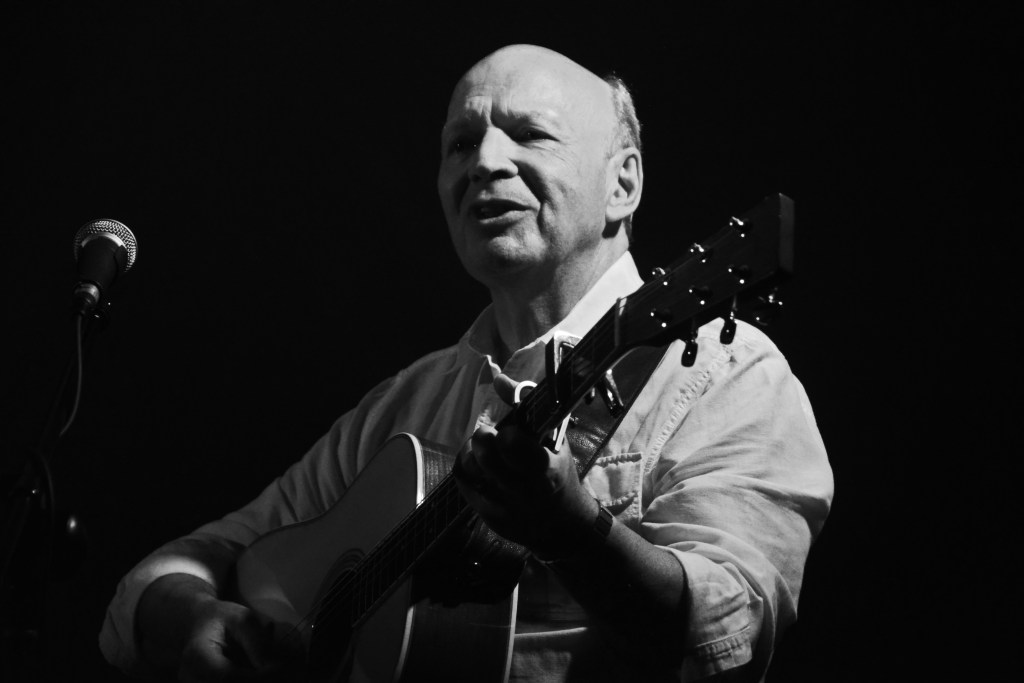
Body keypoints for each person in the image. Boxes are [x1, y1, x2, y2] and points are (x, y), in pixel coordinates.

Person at [100, 44, 833, 681]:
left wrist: (573, 532)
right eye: (460, 144)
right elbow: (192, 562)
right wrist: (190, 614)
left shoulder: (726, 375)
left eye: (529, 134)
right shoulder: (402, 406)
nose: (483, 162)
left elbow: (727, 637)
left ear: (623, 184)